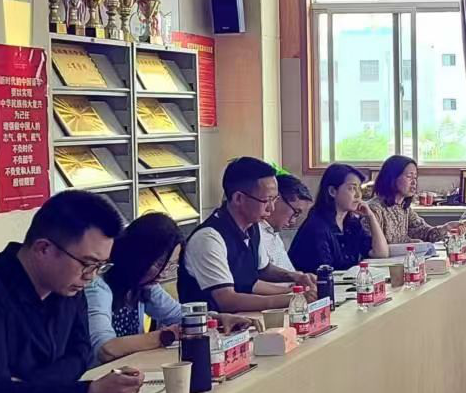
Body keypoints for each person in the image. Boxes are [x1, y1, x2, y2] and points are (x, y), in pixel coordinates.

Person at [0, 190, 144, 393]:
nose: (91, 276)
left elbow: (81, 353)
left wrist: (27, 386)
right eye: (87, 263)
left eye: (100, 266)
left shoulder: (67, 288)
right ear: (43, 249)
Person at [86, 212, 254, 364]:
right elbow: (106, 349)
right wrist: (166, 335)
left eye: (171, 265)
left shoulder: (144, 287)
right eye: (159, 264)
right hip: (97, 377)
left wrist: (218, 319)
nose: (164, 273)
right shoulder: (99, 287)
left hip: (126, 369)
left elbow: (178, 315)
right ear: (137, 256)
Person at [177, 156, 310, 312]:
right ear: (239, 198)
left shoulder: (252, 227)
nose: (271, 208)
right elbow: (227, 301)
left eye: (274, 199)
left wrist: (296, 277)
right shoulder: (208, 238)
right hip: (215, 324)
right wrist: (292, 299)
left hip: (245, 319)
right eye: (266, 200)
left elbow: (263, 269)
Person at [291, 162, 388, 272]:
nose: (358, 195)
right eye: (352, 188)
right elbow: (323, 273)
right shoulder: (317, 227)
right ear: (332, 191)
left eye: (359, 189)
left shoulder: (351, 224)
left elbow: (381, 253)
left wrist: (370, 217)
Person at [367, 155, 446, 244]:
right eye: (409, 177)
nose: (414, 182)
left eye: (415, 178)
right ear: (393, 178)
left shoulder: (404, 208)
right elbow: (373, 247)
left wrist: (446, 228)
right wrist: (408, 244)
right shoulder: (374, 209)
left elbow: (425, 233)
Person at [263, 173, 318, 286]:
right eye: (295, 212)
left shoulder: (273, 232)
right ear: (277, 199)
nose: (293, 221)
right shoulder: (254, 232)